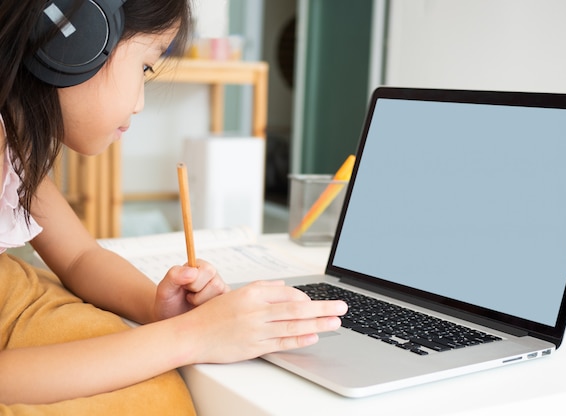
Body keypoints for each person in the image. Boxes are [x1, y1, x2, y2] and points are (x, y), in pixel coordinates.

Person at [0, 0, 347, 412]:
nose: (140, 103)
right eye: (145, 67)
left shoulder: (14, 143)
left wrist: (158, 307)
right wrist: (194, 335)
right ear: (77, 38)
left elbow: (78, 256)